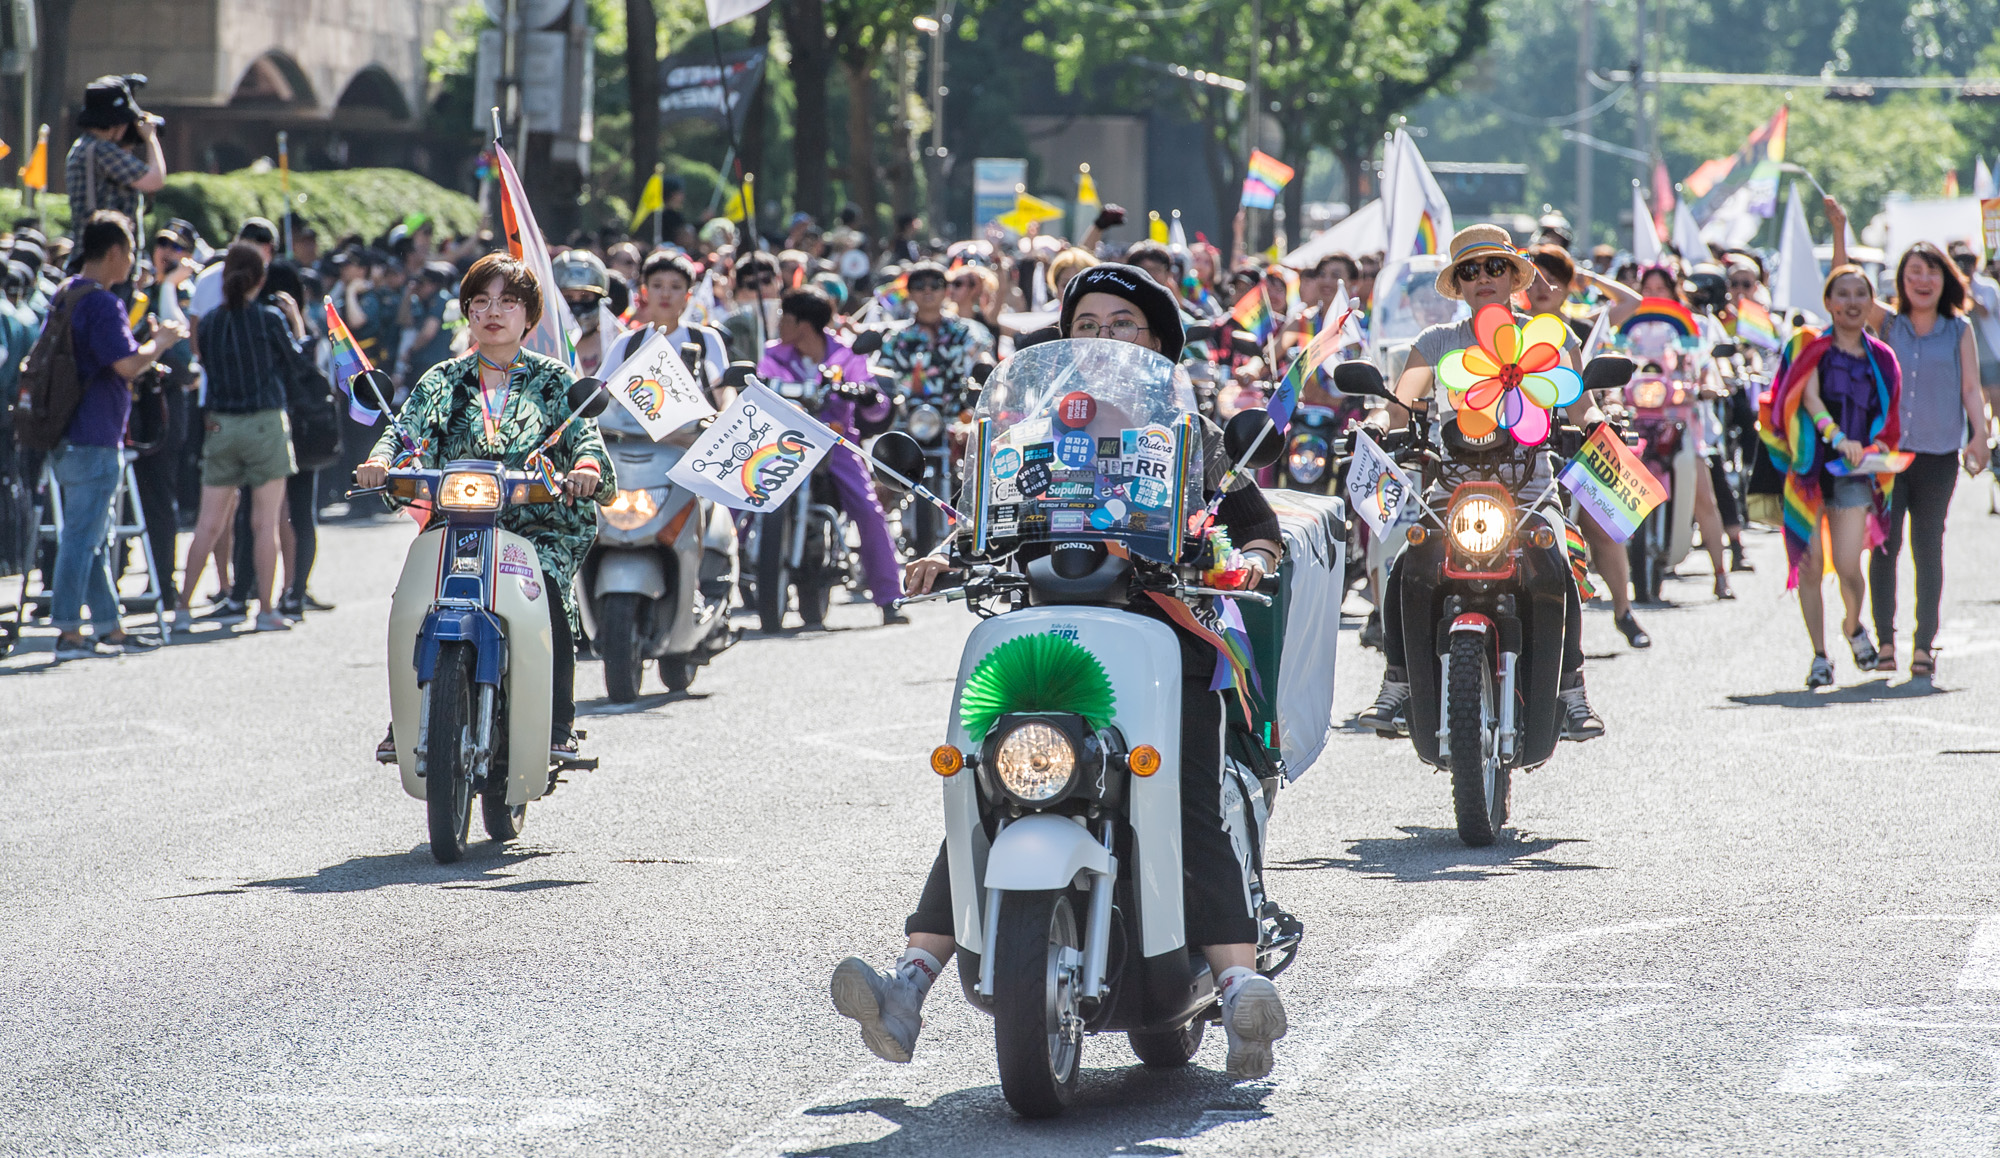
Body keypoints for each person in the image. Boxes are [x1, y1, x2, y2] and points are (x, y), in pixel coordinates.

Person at [834, 263, 1291, 1079]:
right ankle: (909, 984)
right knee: (989, 787)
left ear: (1154, 343)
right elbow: (979, 524)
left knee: (1187, 798)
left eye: (1123, 324)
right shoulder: (1027, 431)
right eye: (1087, 322)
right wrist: (940, 558)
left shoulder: (1188, 434)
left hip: (1161, 631)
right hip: (1047, 637)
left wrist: (1250, 561)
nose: (1102, 337)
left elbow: (1257, 527)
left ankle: (1238, 985)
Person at [357, 253, 615, 759]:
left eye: (508, 302)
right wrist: (379, 461)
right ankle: (408, 715)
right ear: (467, 312)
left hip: (538, 525)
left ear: (529, 316)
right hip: (456, 525)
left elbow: (585, 437)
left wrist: (584, 470)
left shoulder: (556, 380)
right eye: (481, 301)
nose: (493, 312)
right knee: (413, 595)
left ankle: (560, 720)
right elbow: (404, 433)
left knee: (548, 590)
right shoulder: (442, 379)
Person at [1357, 224, 1606, 738]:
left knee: (1557, 564)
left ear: (1515, 277)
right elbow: (1400, 408)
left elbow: (1583, 404)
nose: (1483, 278)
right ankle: (1397, 682)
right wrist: (1377, 427)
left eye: (1495, 267)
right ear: (1460, 284)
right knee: (1407, 565)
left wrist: (1599, 423)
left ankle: (1573, 689)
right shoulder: (1436, 342)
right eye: (1470, 271)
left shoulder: (1549, 337)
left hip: (1532, 489)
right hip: (1450, 490)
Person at [1828, 211, 1992, 679]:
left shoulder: (1958, 328)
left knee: (1928, 546)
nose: (1922, 280)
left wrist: (1979, 436)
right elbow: (1846, 288)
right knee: (1884, 546)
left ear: (1946, 279)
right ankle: (1885, 641)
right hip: (1886, 453)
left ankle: (1924, 644)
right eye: (1913, 272)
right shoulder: (1888, 323)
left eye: (1932, 271)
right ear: (1901, 280)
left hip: (1939, 453)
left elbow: (1969, 387)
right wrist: (1841, 230)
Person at [48, 211, 187, 659]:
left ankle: (108, 625)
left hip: (64, 431)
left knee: (91, 534)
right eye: (129, 251)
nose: (132, 261)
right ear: (113, 252)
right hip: (95, 433)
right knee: (82, 537)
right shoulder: (103, 303)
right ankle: (69, 629)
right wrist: (161, 341)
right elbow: (127, 365)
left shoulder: (67, 293)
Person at [1759, 263, 1901, 689]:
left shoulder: (1882, 358)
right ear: (1828, 302)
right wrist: (1836, 436)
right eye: (1843, 294)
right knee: (1809, 565)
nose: (1852, 302)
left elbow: (1889, 416)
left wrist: (1870, 447)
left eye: (1861, 293)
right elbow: (1806, 397)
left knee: (1848, 566)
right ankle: (1820, 656)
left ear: (1871, 302)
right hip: (1807, 470)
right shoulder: (1808, 348)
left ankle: (1854, 626)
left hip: (1855, 471)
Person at [755, 287, 905, 625]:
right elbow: (762, 388)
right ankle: (720, 579)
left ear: (803, 325)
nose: (779, 323)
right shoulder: (773, 355)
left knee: (868, 510)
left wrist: (868, 396)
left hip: (836, 444)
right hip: (782, 444)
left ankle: (890, 597)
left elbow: (878, 405)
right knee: (738, 499)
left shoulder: (847, 355)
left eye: (785, 317)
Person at [1523, 244, 1649, 648]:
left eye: (1554, 279)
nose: (1544, 288)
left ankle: (1624, 611)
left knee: (1601, 523)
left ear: (1567, 287)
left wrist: (1588, 277)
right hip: (1522, 443)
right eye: (1535, 278)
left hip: (1579, 433)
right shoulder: (1507, 329)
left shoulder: (1581, 328)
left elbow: (1631, 301)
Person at [175, 244, 304, 635]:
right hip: (264, 421)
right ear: (261, 279)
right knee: (265, 523)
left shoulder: (211, 321)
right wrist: (295, 320)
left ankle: (182, 609)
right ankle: (266, 610)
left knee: (209, 522)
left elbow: (205, 361)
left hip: (221, 423)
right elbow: (296, 361)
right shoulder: (268, 319)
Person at [600, 250, 731, 411]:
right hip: (634, 435)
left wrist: (724, 413)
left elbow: (723, 389)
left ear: (688, 296)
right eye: (657, 285)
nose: (665, 294)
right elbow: (600, 390)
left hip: (693, 434)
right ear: (644, 292)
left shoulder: (706, 338)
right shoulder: (626, 342)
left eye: (675, 287)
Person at [881, 261, 994, 401]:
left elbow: (983, 357)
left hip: (957, 418)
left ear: (947, 291)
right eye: (919, 286)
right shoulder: (895, 337)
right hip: (906, 418)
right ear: (909, 293)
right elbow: (882, 376)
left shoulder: (966, 332)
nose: (927, 290)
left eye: (935, 285)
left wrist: (984, 365)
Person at [65, 77, 167, 228]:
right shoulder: (101, 150)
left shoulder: (83, 145)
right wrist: (150, 138)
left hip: (90, 248)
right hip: (106, 250)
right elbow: (155, 180)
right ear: (115, 122)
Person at [722, 250, 781, 363]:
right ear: (741, 290)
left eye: (766, 280)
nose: (761, 288)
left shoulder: (793, 317)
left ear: (778, 280)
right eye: (752, 285)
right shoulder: (734, 324)